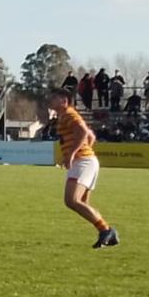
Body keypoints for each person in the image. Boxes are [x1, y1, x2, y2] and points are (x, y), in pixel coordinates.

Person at [50, 88, 118, 248]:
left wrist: (72, 153)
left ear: (64, 100)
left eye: (53, 98)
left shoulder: (69, 114)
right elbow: (90, 135)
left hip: (83, 162)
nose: (50, 100)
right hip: (86, 160)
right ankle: (107, 233)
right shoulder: (65, 115)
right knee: (80, 202)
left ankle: (106, 230)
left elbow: (82, 131)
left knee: (71, 200)